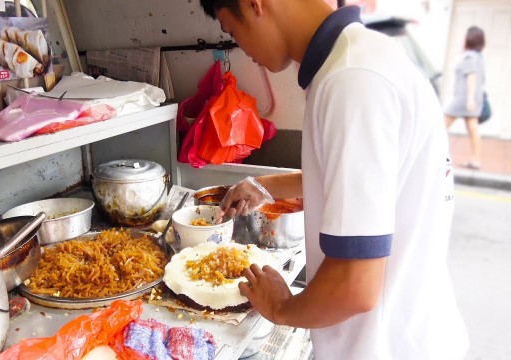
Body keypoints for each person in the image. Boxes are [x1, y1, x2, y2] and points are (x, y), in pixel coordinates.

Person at [199, 0, 468, 359]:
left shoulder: (351, 82)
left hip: (386, 347)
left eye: (233, 32)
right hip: (413, 334)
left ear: (254, 4)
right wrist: (265, 188)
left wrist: (281, 307)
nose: (244, 52)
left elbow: (353, 286)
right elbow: (364, 183)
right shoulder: (362, 58)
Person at [444, 26, 486, 170]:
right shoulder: (478, 57)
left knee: (441, 126)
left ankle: (437, 156)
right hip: (473, 98)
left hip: (464, 98)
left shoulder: (469, 57)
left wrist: (469, 99)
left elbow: (472, 77)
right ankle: (476, 161)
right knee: (473, 128)